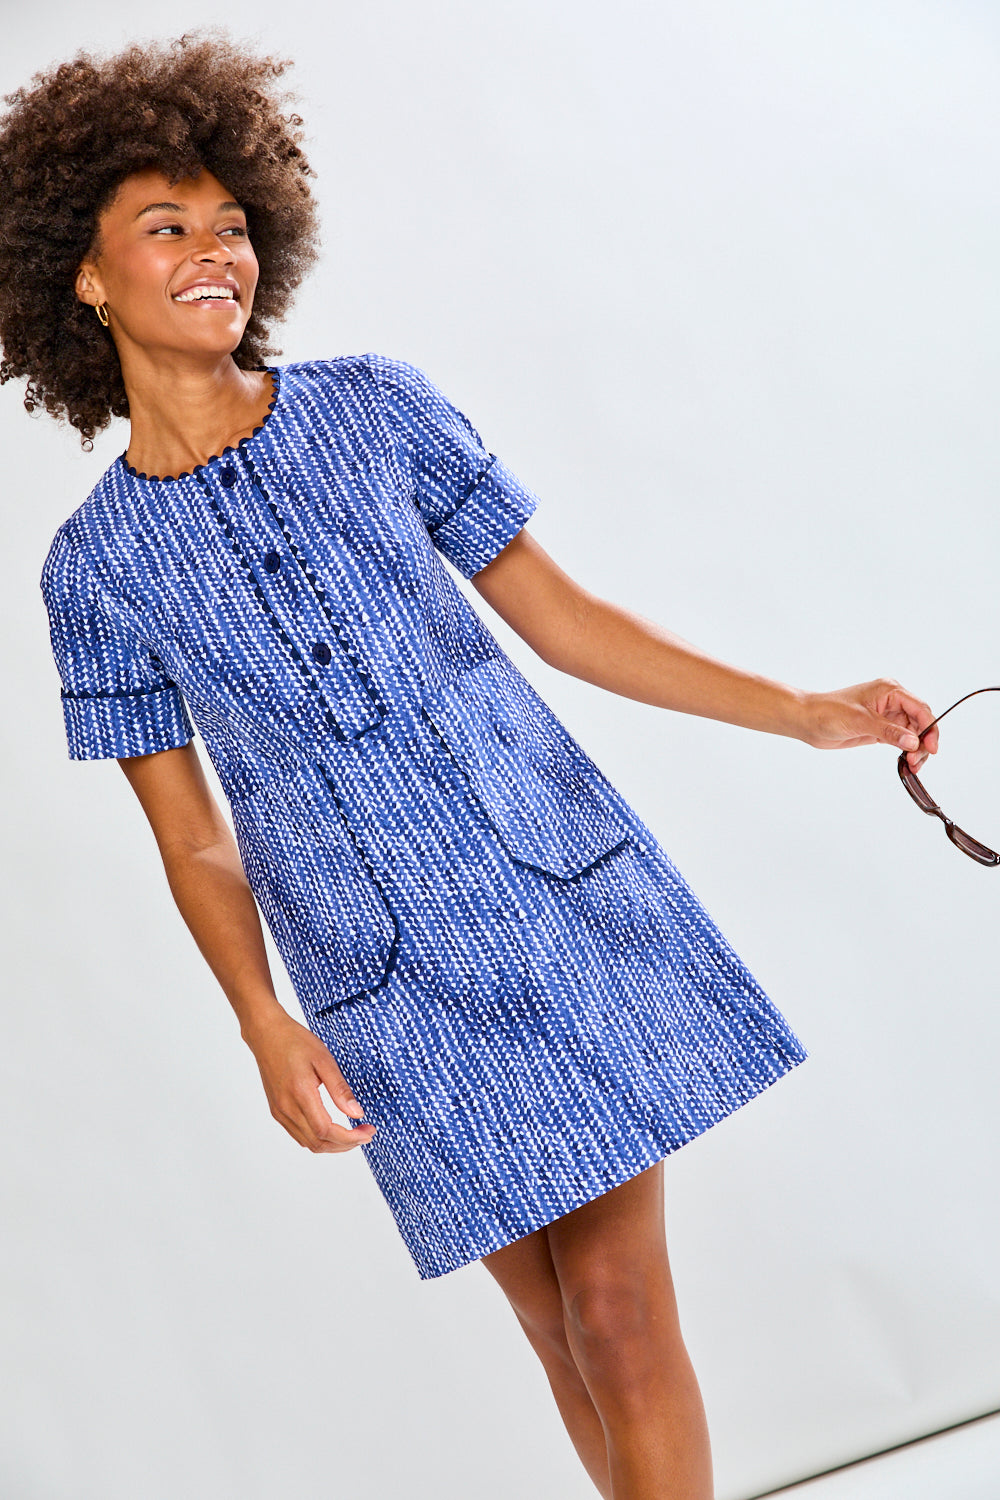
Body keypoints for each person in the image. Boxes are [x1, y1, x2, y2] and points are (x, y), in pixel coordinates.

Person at [1, 33, 938, 1500]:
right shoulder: (94, 569)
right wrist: (260, 1019)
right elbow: (193, 838)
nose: (213, 253)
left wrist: (803, 710)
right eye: (166, 229)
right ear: (83, 276)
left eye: (231, 225)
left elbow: (564, 622)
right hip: (378, 980)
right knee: (558, 1332)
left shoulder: (374, 407)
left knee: (618, 1315)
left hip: (548, 900)